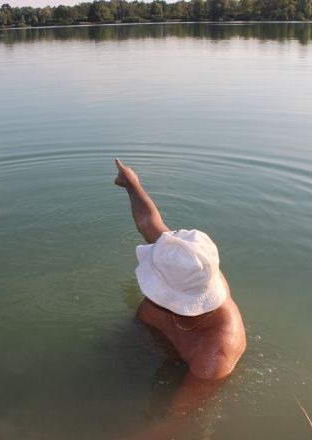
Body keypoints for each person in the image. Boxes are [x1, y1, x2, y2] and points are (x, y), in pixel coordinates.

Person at [114, 158, 246, 438]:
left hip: (171, 370)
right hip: (144, 342)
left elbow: (170, 424)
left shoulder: (214, 357)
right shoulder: (187, 262)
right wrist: (131, 183)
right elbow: (148, 221)